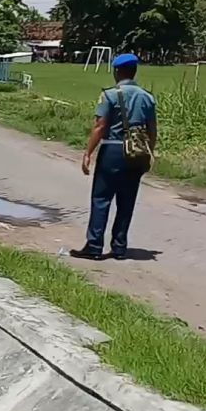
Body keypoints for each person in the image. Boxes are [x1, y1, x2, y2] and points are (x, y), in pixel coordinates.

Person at [70, 53, 158, 261]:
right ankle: (119, 247)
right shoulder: (147, 97)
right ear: (134, 71)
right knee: (127, 201)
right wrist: (149, 153)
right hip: (137, 153)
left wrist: (87, 153)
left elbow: (100, 127)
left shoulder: (110, 95)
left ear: (117, 72)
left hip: (113, 150)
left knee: (101, 198)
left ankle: (94, 245)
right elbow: (152, 130)